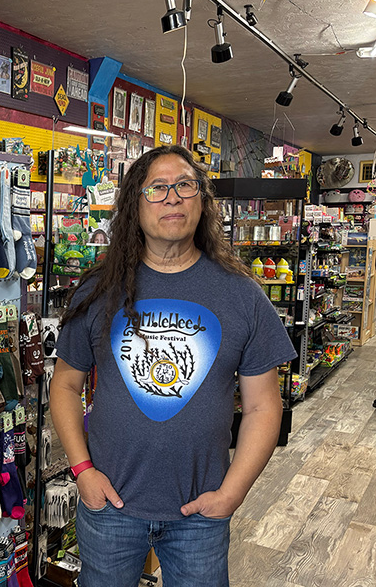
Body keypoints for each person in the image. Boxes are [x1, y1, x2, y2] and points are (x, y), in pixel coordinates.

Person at [49, 145, 296, 587]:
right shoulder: (99, 290)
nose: (173, 197)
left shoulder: (242, 295)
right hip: (109, 506)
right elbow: (65, 386)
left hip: (201, 514)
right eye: (157, 188)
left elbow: (263, 408)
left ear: (202, 200)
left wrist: (231, 494)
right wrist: (83, 471)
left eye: (185, 185)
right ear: (134, 204)